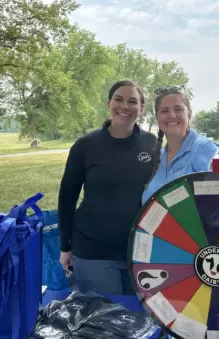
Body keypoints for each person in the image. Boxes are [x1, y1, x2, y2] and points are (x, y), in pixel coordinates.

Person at [57, 80, 157, 295]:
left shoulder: (152, 144)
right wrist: (65, 246)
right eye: (118, 99)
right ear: (108, 103)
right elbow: (67, 198)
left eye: (132, 101)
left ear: (141, 109)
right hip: (93, 251)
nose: (125, 106)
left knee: (138, 323)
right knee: (104, 323)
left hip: (140, 253)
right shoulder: (86, 145)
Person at [142, 85, 219, 203]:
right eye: (164, 111)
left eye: (178, 109)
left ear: (189, 114)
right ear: (157, 118)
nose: (172, 115)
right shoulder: (158, 156)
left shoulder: (205, 149)